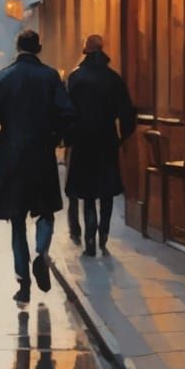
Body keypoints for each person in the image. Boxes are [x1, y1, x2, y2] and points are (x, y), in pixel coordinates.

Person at [0, 29, 76, 306]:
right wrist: (55, 137)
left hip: (11, 156)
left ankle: (23, 283)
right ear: (39, 48)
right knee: (45, 211)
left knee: (17, 220)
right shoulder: (50, 77)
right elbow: (67, 112)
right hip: (41, 153)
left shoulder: (2, 78)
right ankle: (41, 252)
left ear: (17, 47)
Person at [65, 34, 138, 256]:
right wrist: (122, 137)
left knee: (87, 193)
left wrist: (67, 137)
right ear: (102, 49)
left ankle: (89, 239)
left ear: (85, 51)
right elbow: (127, 113)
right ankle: (103, 236)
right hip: (106, 140)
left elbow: (66, 111)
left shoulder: (75, 78)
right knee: (106, 191)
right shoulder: (113, 78)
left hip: (82, 141)